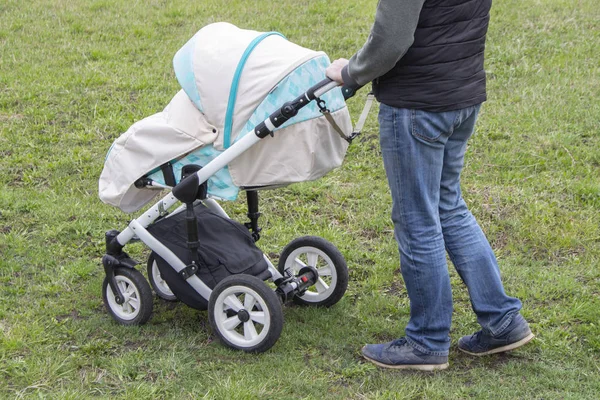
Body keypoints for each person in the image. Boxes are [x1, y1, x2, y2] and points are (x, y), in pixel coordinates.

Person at [326, 0, 534, 371]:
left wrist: (351, 72)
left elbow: (391, 40)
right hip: (461, 94)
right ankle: (503, 321)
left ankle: (426, 341)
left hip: (417, 104)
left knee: (417, 219)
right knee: (447, 206)